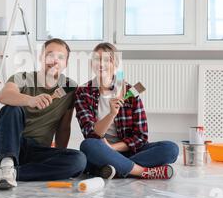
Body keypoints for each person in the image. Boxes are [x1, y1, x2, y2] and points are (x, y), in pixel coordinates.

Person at [0, 39, 86, 190]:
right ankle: (6, 163)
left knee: (78, 160)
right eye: (50, 55)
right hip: (5, 144)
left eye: (61, 57)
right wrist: (30, 100)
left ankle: (10, 173)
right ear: (41, 57)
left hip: (35, 150)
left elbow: (64, 127)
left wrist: (59, 154)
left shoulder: (69, 87)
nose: (54, 61)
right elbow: (4, 95)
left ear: (66, 63)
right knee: (12, 108)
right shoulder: (22, 78)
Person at [75, 43, 179, 180]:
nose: (101, 64)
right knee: (88, 146)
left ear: (115, 64)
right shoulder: (83, 92)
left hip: (128, 151)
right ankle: (141, 171)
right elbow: (92, 134)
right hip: (100, 150)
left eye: (107, 60)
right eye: (97, 59)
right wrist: (111, 114)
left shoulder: (130, 91)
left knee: (171, 149)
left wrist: (113, 149)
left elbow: (141, 137)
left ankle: (113, 169)